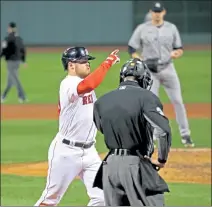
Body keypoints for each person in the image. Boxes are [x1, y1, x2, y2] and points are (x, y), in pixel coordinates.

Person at [34, 47, 120, 206]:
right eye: (83, 61)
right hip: (66, 152)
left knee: (104, 197)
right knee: (50, 200)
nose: (88, 64)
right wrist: (107, 63)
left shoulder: (82, 83)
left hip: (89, 152)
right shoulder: (68, 84)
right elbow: (89, 85)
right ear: (71, 65)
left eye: (88, 61)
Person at [93, 58, 172, 206]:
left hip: (109, 167)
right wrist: (161, 160)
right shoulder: (147, 97)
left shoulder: (101, 101)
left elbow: (101, 127)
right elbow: (163, 131)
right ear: (143, 79)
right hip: (135, 164)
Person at [127, 1, 194, 147]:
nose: (157, 14)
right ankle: (154, 136)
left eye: (159, 11)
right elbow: (132, 48)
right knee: (152, 104)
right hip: (150, 72)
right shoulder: (142, 29)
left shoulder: (171, 28)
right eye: (154, 11)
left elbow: (179, 48)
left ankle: (185, 135)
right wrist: (139, 60)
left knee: (178, 101)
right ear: (151, 12)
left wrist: (176, 53)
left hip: (168, 68)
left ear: (163, 12)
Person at [1, 22, 28, 103]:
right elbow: (23, 50)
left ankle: (22, 96)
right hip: (17, 62)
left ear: (10, 28)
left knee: (15, 79)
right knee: (10, 80)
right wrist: (23, 61)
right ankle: (4, 96)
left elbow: (3, 50)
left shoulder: (7, 39)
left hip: (10, 62)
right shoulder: (19, 39)